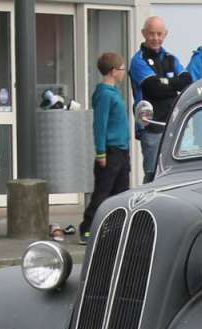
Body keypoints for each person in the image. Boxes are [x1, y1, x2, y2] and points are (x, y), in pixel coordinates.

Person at [129, 16, 192, 184]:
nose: (156, 38)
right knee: (153, 176)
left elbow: (187, 81)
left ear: (165, 35)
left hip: (174, 125)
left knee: (175, 176)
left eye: (159, 34)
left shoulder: (171, 58)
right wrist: (173, 84)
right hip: (151, 127)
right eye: (151, 34)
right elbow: (153, 89)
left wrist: (163, 82)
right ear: (143, 33)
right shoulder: (138, 60)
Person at [79, 53, 131, 245]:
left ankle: (116, 230)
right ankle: (87, 228)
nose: (124, 73)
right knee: (103, 192)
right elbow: (100, 125)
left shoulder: (114, 92)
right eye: (122, 69)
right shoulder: (104, 95)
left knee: (121, 192)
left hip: (122, 150)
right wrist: (101, 152)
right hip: (110, 151)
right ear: (113, 71)